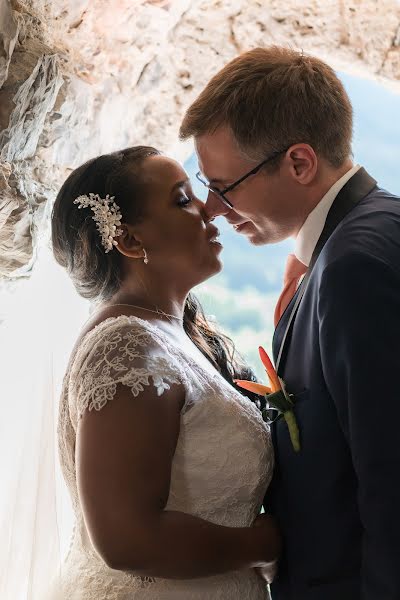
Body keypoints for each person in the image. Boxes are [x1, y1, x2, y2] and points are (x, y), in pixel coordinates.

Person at [179, 46, 400, 599]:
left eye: (224, 186)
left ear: (299, 163)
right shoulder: (358, 238)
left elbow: (391, 480)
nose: (212, 209)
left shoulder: (355, 267)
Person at [47, 145, 280, 600]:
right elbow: (126, 539)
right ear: (130, 241)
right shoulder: (126, 345)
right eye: (181, 200)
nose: (210, 210)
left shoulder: (171, 333)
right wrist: (263, 544)